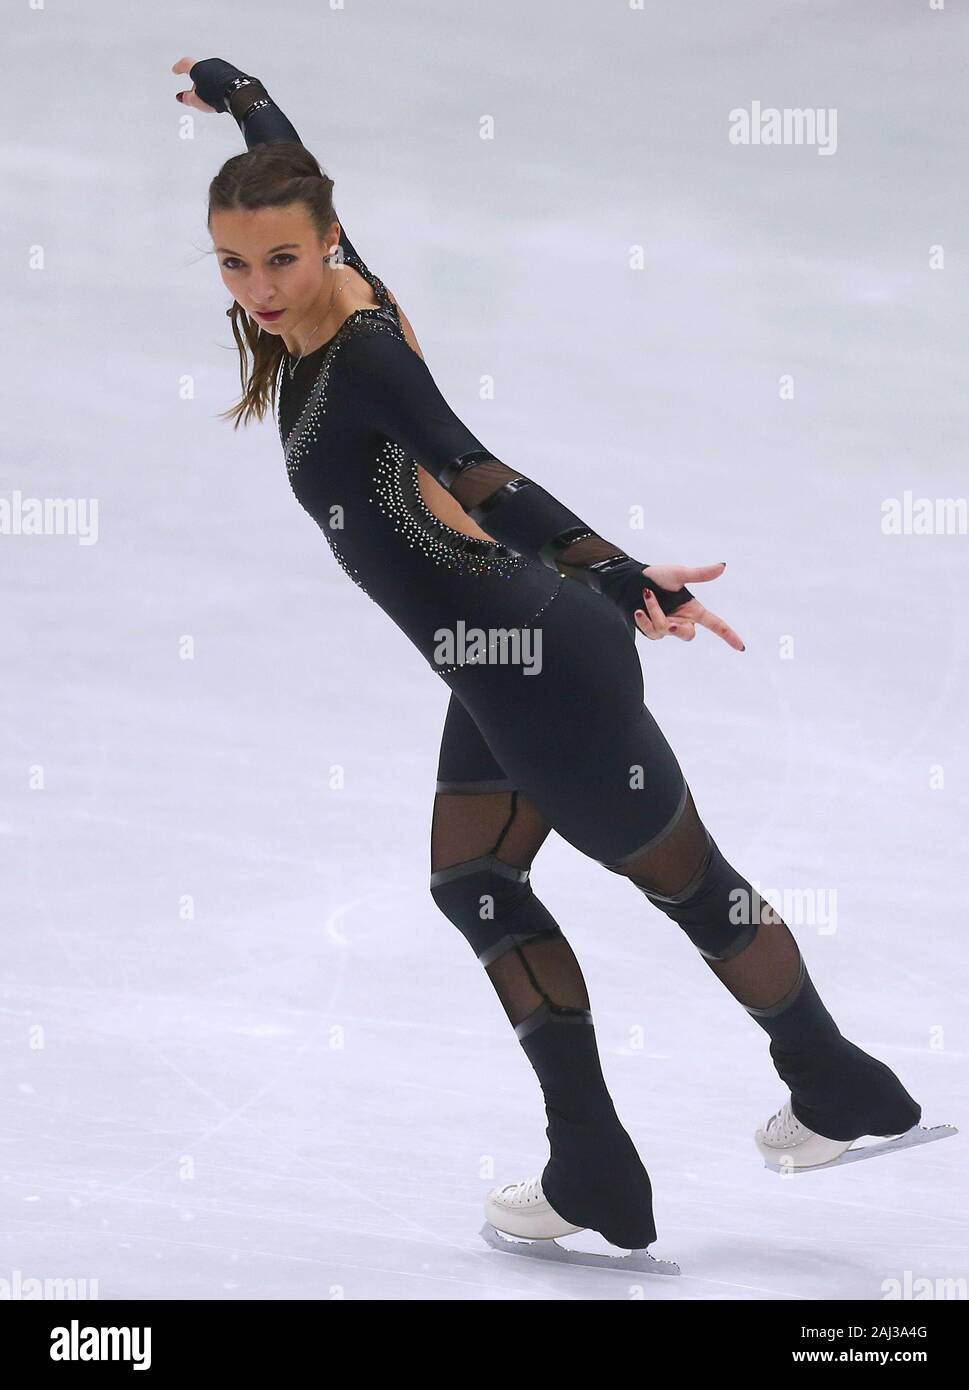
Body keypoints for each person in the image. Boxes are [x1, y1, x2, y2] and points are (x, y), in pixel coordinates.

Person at [172, 56, 923, 1253]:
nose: (259, 286)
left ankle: (805, 1092)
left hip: (538, 654)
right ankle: (632, 1151)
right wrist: (247, 100)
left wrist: (620, 572)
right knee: (477, 880)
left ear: (322, 248)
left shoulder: (363, 351)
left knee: (687, 887)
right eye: (232, 261)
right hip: (499, 657)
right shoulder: (331, 283)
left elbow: (477, 473)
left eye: (280, 258)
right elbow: (300, 188)